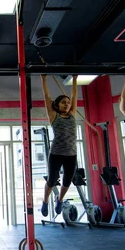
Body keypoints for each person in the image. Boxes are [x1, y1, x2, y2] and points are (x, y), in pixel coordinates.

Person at [40, 75, 79, 217]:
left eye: (68, 103)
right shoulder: (53, 116)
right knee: (51, 180)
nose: (67, 104)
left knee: (67, 181)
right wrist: (43, 79)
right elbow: (46, 95)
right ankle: (45, 201)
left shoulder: (73, 114)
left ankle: (60, 200)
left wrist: (75, 79)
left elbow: (75, 95)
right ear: (57, 105)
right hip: (56, 153)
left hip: (71, 154)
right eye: (63, 102)